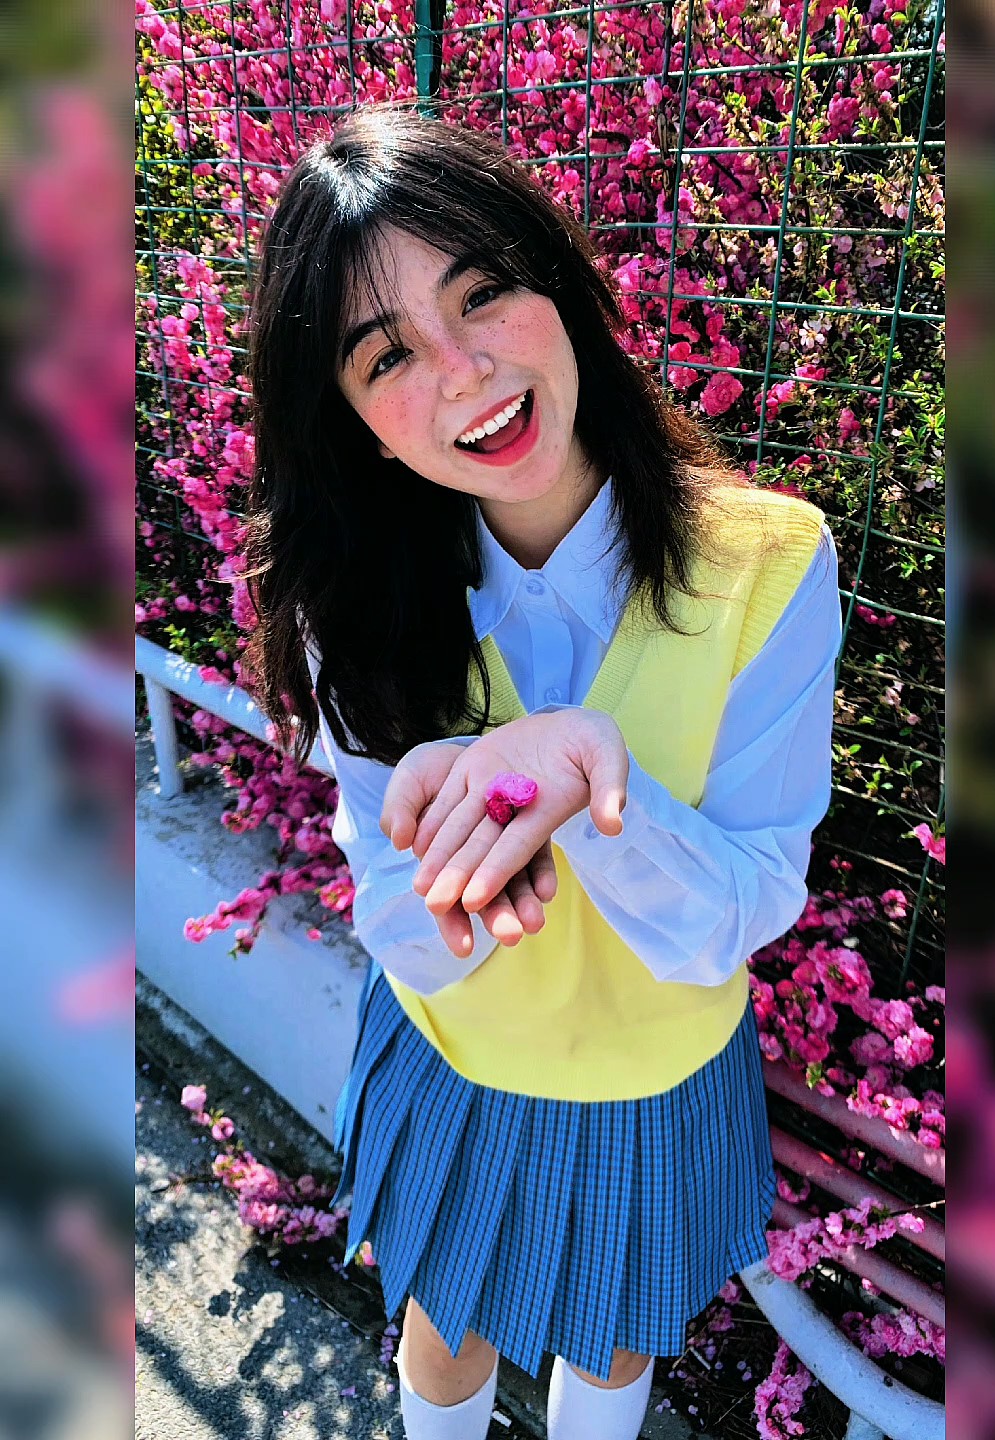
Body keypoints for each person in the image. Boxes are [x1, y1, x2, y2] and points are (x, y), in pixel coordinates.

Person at [242, 104, 841, 1440]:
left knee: (613, 1347)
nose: (464, 370)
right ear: (357, 423)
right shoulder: (362, 603)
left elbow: (750, 903)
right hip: (456, 1054)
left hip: (656, 1069)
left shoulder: (770, 564)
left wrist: (595, 786)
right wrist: (449, 868)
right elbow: (393, 915)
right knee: (445, 1324)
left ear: (559, 287)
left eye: (483, 293)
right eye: (388, 353)